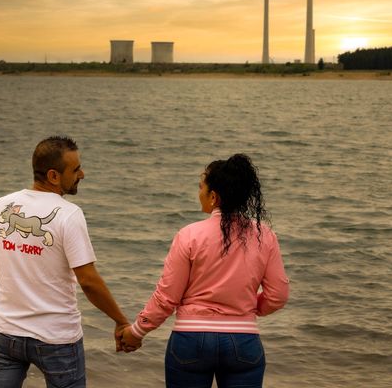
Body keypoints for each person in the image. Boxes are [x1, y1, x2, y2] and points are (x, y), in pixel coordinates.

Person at [120, 154, 290, 388]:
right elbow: (278, 295)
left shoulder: (189, 235)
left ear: (213, 197)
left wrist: (137, 331)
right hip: (244, 343)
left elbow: (167, 297)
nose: (198, 193)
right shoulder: (265, 236)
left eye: (201, 188)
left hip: (190, 340)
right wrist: (248, 308)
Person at [0, 136, 132, 388]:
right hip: (57, 339)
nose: (82, 173)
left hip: (6, 336)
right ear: (53, 176)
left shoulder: (1, 206)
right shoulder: (69, 215)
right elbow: (89, 281)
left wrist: (4, 314)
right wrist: (121, 321)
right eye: (75, 169)